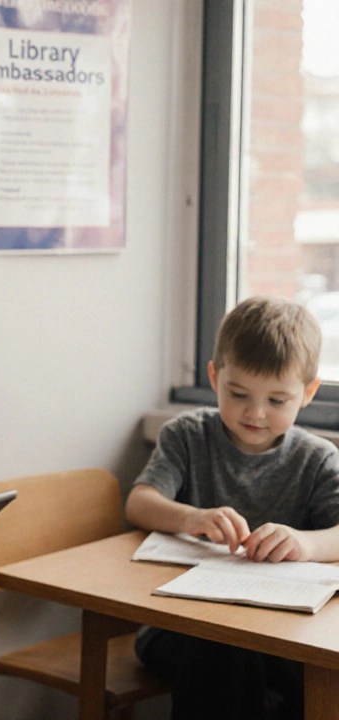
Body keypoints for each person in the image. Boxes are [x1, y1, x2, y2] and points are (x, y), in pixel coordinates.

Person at [126, 295, 339, 720]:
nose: (255, 413)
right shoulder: (186, 435)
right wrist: (193, 518)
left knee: (309, 672)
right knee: (227, 651)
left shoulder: (316, 459)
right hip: (181, 626)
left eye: (277, 401)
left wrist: (306, 544)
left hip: (281, 631)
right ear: (214, 376)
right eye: (238, 393)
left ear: (308, 393)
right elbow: (139, 503)